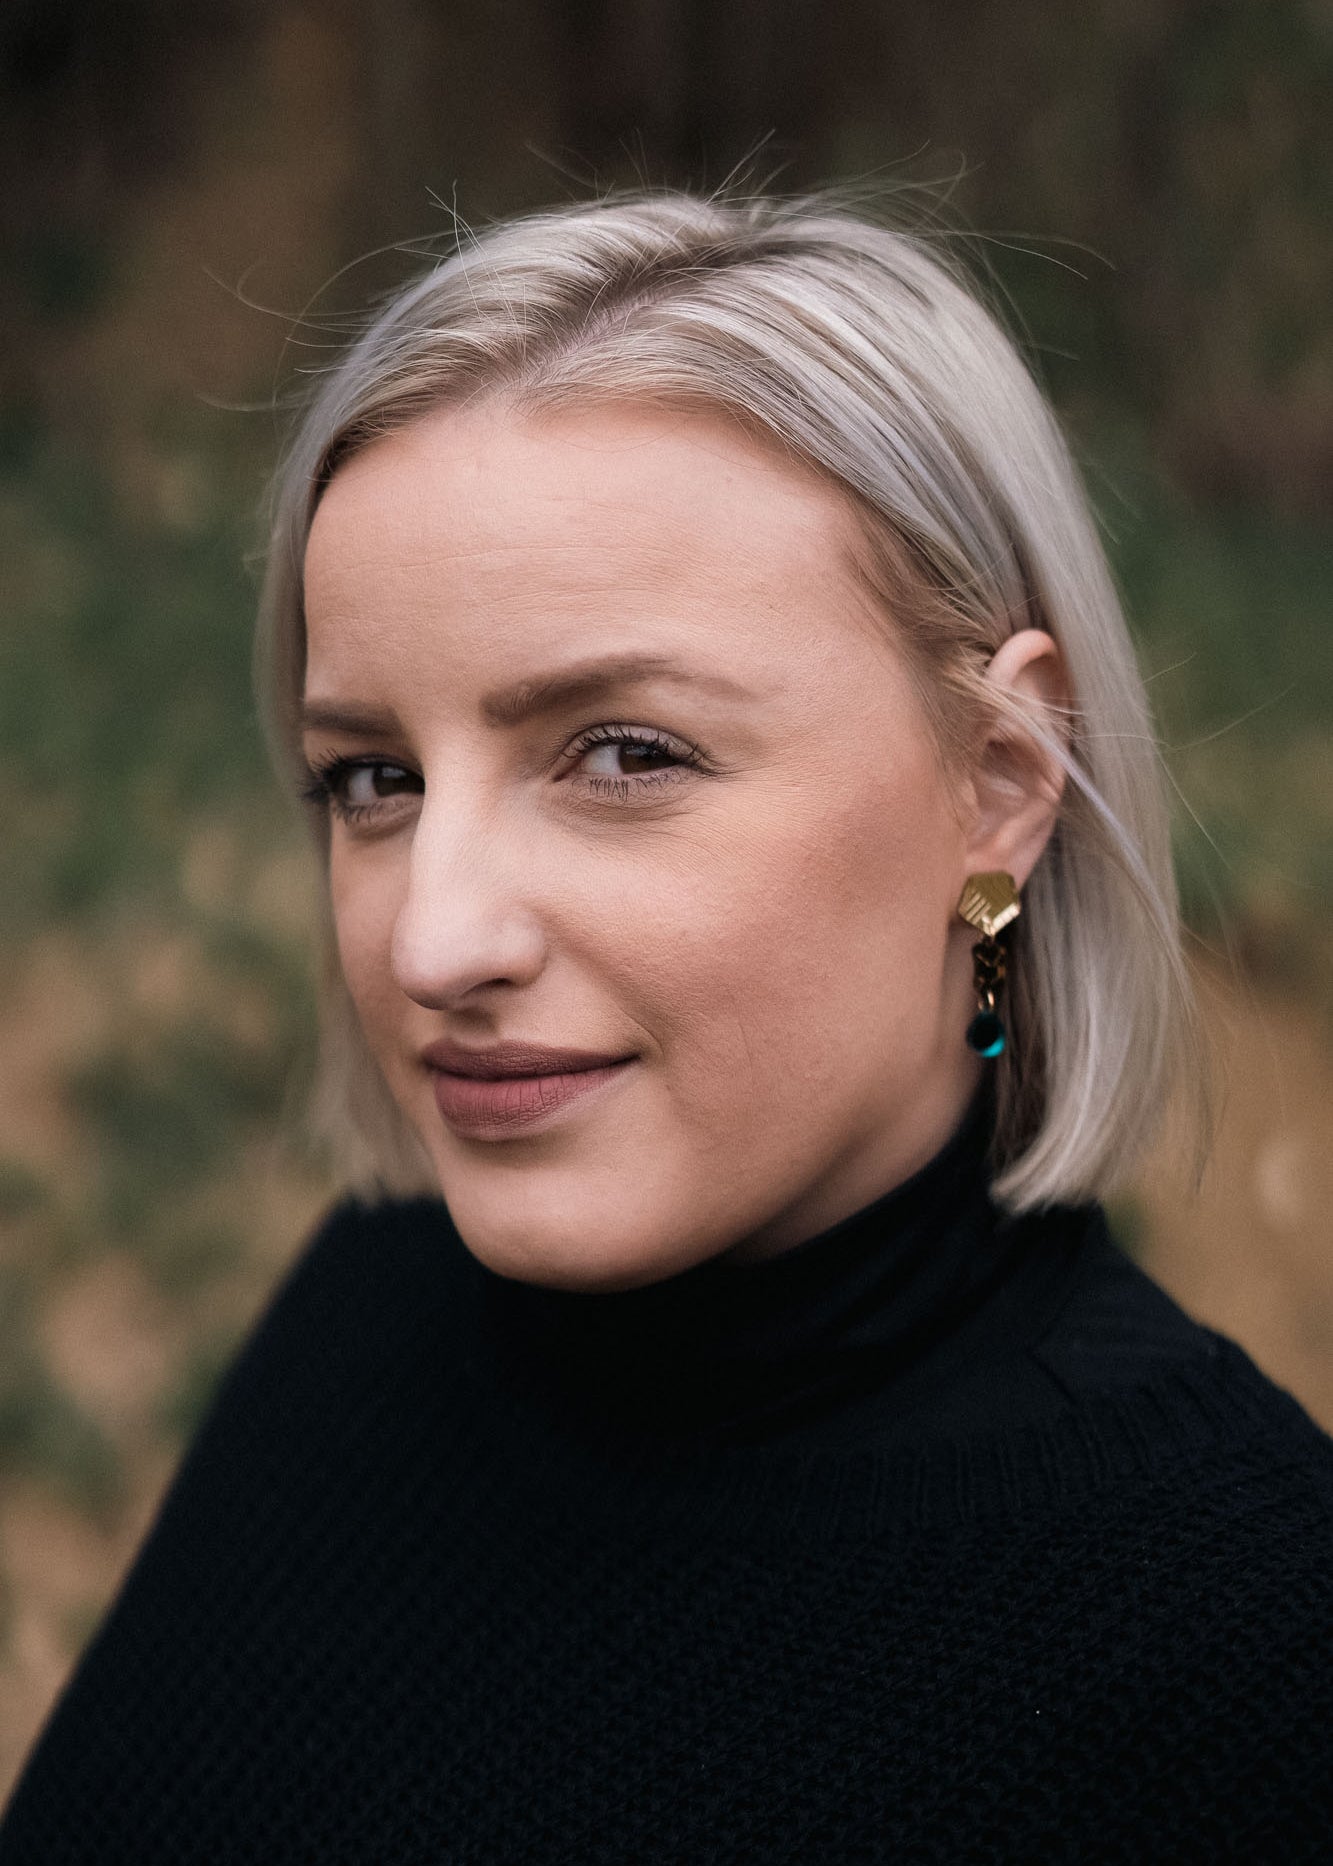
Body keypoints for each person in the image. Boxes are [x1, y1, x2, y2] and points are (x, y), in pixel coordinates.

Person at [2, 187, 1331, 1863]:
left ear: (999, 781)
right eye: (373, 778)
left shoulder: (1243, 1628)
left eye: (623, 754)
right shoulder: (361, 1316)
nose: (432, 936)